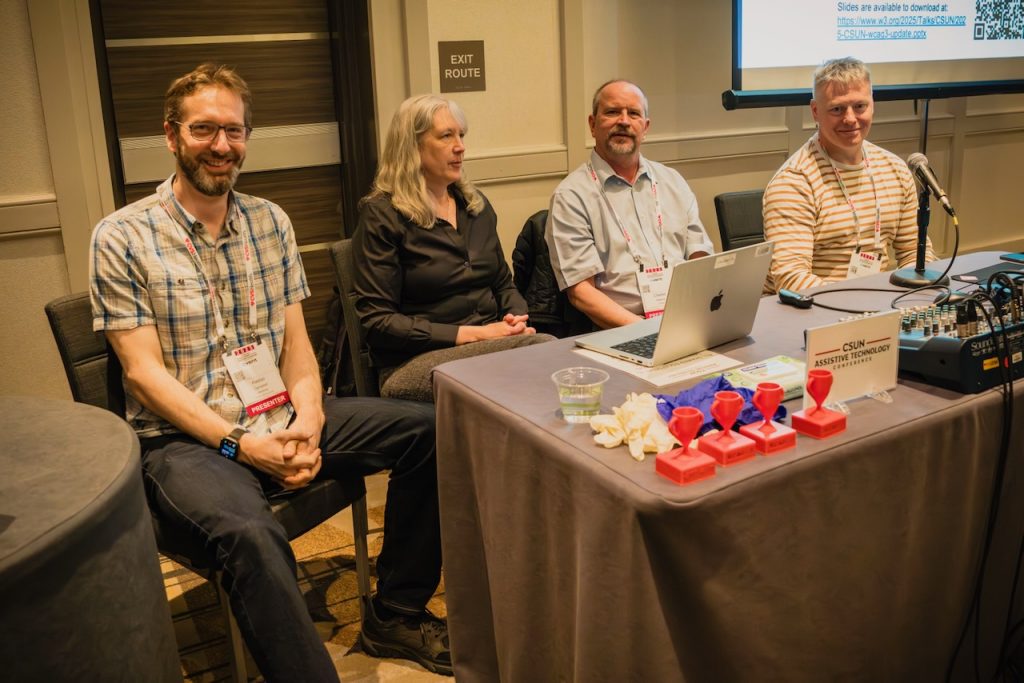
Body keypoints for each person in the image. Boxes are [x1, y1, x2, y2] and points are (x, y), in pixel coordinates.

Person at [90, 64, 451, 680]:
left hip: (280, 412)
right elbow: (143, 376)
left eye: (235, 131)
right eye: (204, 130)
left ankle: (395, 611)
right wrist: (242, 445)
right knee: (250, 534)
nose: (222, 146)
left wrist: (308, 419)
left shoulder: (270, 221)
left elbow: (296, 346)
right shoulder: (122, 236)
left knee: (435, 430)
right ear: (172, 135)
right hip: (186, 441)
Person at [353, 94, 551, 401]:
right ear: (412, 146)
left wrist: (514, 317)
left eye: (461, 135)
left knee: (540, 354)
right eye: (446, 136)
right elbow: (378, 322)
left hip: (489, 344)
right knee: (543, 352)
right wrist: (475, 335)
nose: (460, 146)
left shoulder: (475, 206)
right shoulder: (382, 215)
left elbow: (502, 283)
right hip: (415, 361)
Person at [545, 79, 713, 330]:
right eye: (612, 112)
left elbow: (700, 259)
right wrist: (649, 331)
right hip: (620, 330)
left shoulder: (672, 182)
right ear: (593, 125)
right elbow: (581, 293)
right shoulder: (571, 196)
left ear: (645, 128)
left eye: (633, 114)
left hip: (684, 321)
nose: (623, 121)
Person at [762, 57, 935, 294]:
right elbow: (792, 281)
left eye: (860, 106)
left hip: (877, 305)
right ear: (815, 111)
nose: (850, 118)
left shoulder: (894, 169)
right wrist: (864, 303)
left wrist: (913, 298)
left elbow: (914, 254)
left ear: (872, 104)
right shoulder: (793, 183)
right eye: (837, 109)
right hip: (809, 316)